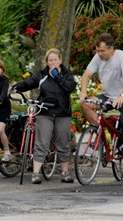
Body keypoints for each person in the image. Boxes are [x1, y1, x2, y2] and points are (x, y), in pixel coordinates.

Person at [78, 33, 123, 183]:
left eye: (102, 51)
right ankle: (100, 131)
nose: (99, 54)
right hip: (108, 96)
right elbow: (86, 75)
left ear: (111, 49)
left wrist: (122, 96)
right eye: (97, 51)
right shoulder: (97, 58)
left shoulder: (121, 56)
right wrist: (83, 92)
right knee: (86, 104)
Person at [10, 48, 76, 184]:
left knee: (63, 143)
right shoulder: (42, 74)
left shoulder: (67, 74)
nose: (53, 62)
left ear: (60, 60)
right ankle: (35, 173)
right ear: (46, 62)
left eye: (55, 60)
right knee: (42, 142)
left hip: (62, 113)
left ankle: (65, 172)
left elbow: (70, 87)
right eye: (50, 60)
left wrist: (58, 77)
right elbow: (29, 83)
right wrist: (16, 87)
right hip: (45, 112)